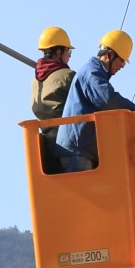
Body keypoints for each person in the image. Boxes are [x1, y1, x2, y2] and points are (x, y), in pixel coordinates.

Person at [55, 29, 135, 172]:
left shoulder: (94, 72)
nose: (122, 66)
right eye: (122, 61)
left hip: (79, 148)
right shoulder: (91, 72)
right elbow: (108, 100)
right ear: (110, 54)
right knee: (85, 193)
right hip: (77, 149)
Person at [31, 27, 76, 173]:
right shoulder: (67, 76)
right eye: (68, 51)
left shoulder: (35, 82)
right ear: (58, 52)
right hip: (71, 146)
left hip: (48, 150)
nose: (69, 56)